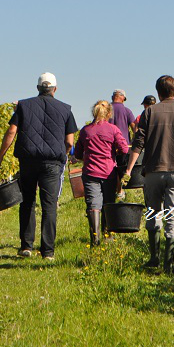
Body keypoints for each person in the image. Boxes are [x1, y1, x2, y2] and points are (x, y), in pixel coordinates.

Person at [0, 72, 78, 260]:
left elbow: (12, 131)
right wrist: (62, 156)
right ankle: (48, 251)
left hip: (28, 160)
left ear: (38, 88)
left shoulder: (24, 106)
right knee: (49, 206)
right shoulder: (65, 109)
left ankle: (26, 246)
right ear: (55, 89)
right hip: (52, 163)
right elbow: (70, 141)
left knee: (28, 202)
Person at [124, 75, 174, 273]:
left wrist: (128, 169)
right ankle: (170, 264)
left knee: (153, 214)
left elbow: (138, 144)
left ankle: (154, 259)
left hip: (153, 172)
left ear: (158, 92)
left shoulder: (150, 113)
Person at [72, 100, 129, 246]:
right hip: (108, 172)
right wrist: (114, 152)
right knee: (108, 203)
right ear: (108, 113)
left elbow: (78, 153)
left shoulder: (85, 131)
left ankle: (95, 239)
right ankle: (107, 234)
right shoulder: (113, 129)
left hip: (90, 172)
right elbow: (124, 149)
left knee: (93, 204)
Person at [110, 89, 136, 199]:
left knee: (111, 168)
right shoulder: (127, 111)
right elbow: (135, 128)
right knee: (121, 168)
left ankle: (112, 190)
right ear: (122, 98)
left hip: (108, 145)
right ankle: (120, 191)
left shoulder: (105, 109)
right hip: (123, 146)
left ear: (113, 97)